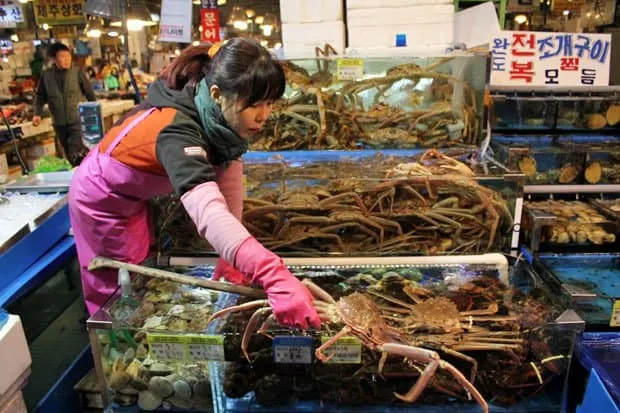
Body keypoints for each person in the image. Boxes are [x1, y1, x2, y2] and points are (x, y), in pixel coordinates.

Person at [68, 38, 321, 330]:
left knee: (144, 271)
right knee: (123, 288)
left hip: (138, 195)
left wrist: (232, 258)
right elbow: (208, 211)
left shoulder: (217, 117)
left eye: (269, 104)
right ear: (217, 94)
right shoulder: (177, 132)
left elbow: (228, 177)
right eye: (254, 104)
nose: (263, 116)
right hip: (103, 199)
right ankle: (115, 356)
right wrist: (271, 273)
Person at [33, 43, 96, 166]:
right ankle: (77, 174)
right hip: (59, 122)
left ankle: (80, 173)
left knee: (75, 148)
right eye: (62, 56)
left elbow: (89, 93)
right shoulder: (46, 75)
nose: (67, 59)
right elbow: (40, 96)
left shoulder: (77, 72)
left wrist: (93, 113)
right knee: (68, 151)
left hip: (77, 120)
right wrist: (37, 114)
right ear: (54, 59)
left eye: (68, 56)